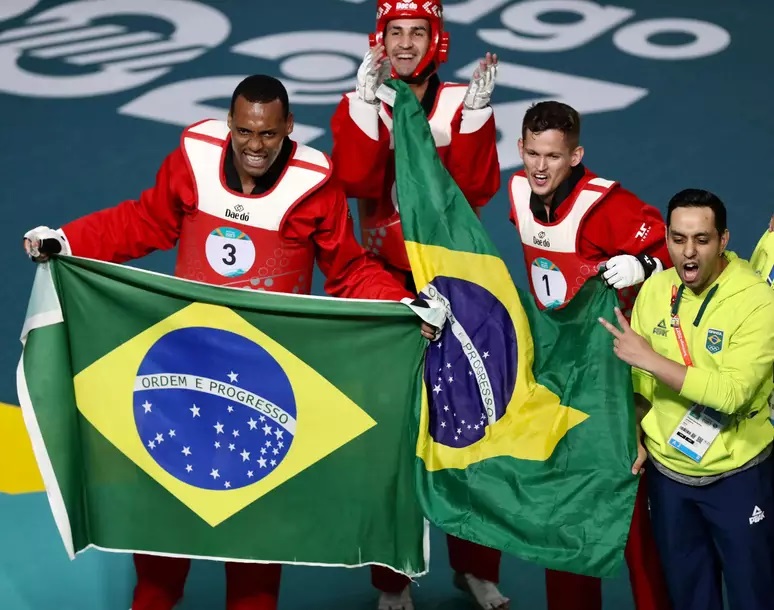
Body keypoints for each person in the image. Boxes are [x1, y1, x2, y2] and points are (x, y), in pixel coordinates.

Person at [23, 75, 437, 610]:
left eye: (267, 133)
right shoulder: (192, 163)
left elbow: (349, 270)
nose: (255, 145)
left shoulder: (313, 187)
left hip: (266, 391)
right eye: (244, 130)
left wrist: (404, 303)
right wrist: (70, 239)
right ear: (229, 124)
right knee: (160, 541)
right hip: (179, 381)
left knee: (256, 549)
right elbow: (144, 222)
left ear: (288, 128)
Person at [329, 2, 507, 610]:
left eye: (418, 33)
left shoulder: (461, 103)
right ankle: (392, 582)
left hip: (459, 287)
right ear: (379, 38)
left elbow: (477, 189)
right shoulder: (367, 97)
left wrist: (478, 121)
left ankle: (476, 568)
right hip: (387, 285)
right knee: (391, 439)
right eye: (395, 33)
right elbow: (353, 180)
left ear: (438, 40)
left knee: (471, 433)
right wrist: (360, 105)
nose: (406, 44)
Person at [507, 101, 672, 610]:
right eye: (532, 153)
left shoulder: (606, 205)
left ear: (575, 155)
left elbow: (676, 246)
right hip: (557, 376)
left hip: (610, 379)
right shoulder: (517, 194)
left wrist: (643, 263)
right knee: (565, 513)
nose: (540, 167)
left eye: (553, 157)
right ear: (520, 150)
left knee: (628, 517)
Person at [600, 189, 774, 610]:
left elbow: (732, 394)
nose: (688, 252)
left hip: (739, 476)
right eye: (678, 239)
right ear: (666, 236)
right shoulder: (656, 291)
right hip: (670, 479)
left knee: (754, 596)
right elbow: (641, 386)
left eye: (702, 239)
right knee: (689, 597)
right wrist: (638, 434)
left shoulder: (757, 300)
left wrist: (650, 358)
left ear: (724, 240)